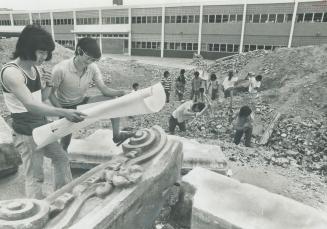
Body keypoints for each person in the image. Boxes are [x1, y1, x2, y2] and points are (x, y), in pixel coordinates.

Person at [0, 25, 87, 199]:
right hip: (26, 132)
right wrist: (64, 111)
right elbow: (31, 105)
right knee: (35, 175)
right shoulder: (11, 72)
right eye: (41, 52)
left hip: (41, 126)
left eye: (46, 53)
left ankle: (63, 196)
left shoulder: (35, 69)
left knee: (61, 158)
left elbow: (43, 98)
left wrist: (48, 85)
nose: (44, 57)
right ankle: (37, 213)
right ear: (27, 48)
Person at [49, 37, 133, 150]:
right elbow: (50, 94)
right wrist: (64, 113)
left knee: (114, 101)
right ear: (79, 51)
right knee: (64, 144)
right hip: (65, 107)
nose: (89, 62)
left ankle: (116, 135)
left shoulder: (92, 68)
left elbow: (104, 89)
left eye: (93, 60)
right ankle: (62, 160)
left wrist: (122, 92)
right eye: (88, 58)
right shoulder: (60, 69)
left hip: (82, 102)